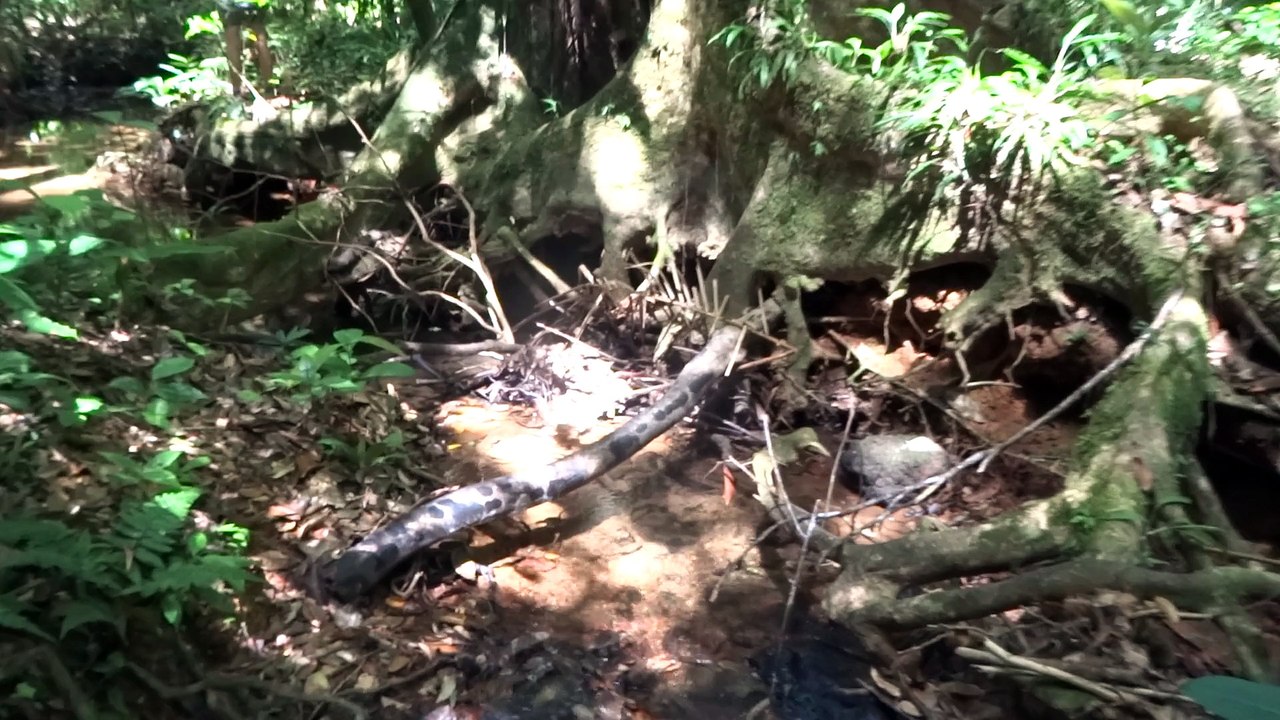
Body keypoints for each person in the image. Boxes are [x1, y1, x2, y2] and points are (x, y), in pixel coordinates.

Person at [216, 0, 274, 98]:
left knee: (232, 43)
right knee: (260, 39)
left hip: (229, 4)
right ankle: (269, 85)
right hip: (254, 3)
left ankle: (236, 90)